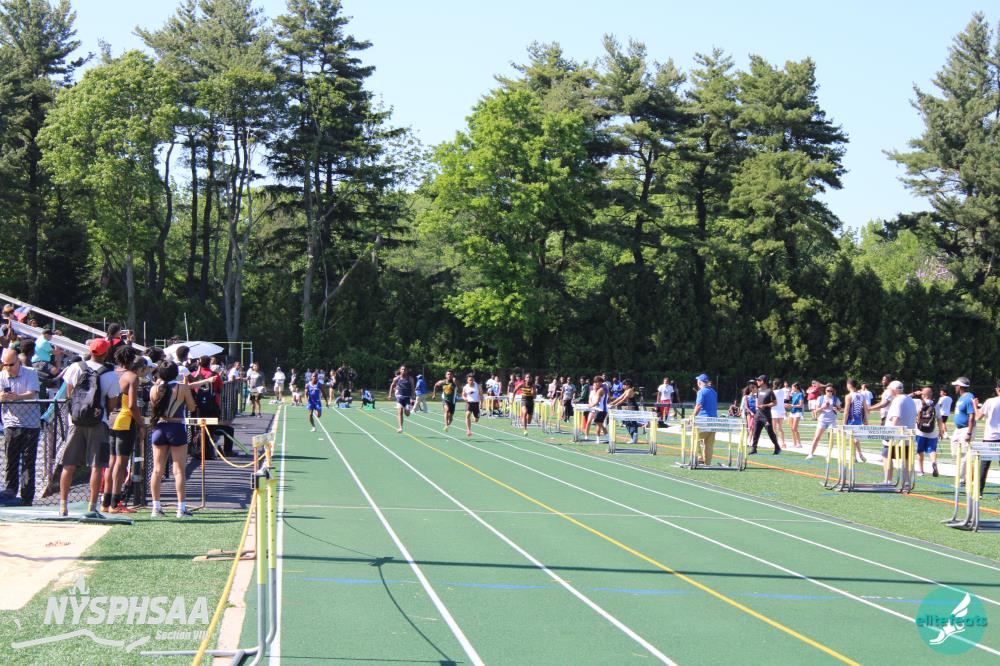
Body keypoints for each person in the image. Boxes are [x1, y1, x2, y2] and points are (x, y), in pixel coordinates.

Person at [59, 339, 121, 518]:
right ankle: (92, 507)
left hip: (75, 421)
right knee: (97, 466)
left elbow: (70, 393)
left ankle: (63, 506)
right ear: (106, 353)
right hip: (98, 421)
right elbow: (112, 402)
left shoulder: (75, 367)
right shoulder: (110, 375)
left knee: (68, 464)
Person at [149, 361, 198, 518]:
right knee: (179, 470)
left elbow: (154, 408)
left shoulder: (154, 389)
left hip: (159, 428)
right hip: (177, 428)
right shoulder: (182, 388)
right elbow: (192, 407)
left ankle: (156, 508)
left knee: (157, 470)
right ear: (176, 373)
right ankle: (181, 508)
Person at [103, 346, 144, 514]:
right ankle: (115, 503)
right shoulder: (132, 377)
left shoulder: (111, 373)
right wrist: (141, 423)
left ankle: (106, 503)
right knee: (121, 463)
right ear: (132, 359)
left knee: (111, 462)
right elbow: (133, 405)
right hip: (125, 420)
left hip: (110, 419)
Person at [1, 348, 40, 506]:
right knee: (11, 460)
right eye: (5, 364)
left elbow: (32, 393)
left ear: (18, 361)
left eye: (11, 364)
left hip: (31, 423)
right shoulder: (2, 375)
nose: (8, 368)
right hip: (11, 422)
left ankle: (27, 498)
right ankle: (10, 494)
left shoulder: (30, 372)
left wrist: (17, 397)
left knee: (28, 462)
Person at [884, 380, 917, 484]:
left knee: (886, 456)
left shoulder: (897, 400)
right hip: (908, 435)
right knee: (906, 459)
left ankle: (888, 481)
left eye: (889, 389)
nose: (888, 391)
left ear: (893, 390)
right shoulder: (909, 399)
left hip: (897, 436)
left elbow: (895, 417)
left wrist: (890, 434)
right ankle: (906, 482)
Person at [912, 385, 944, 477]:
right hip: (932, 432)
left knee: (920, 451)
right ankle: (934, 462)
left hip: (920, 432)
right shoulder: (935, 404)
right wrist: (941, 431)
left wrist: (914, 393)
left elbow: (905, 397)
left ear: (923, 394)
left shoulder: (918, 402)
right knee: (932, 450)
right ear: (931, 394)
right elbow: (939, 419)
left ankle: (921, 471)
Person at [975, 380, 1000, 496]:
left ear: (997, 389)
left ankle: (979, 491)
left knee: (984, 466)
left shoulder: (990, 401)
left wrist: (975, 406)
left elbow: (978, 417)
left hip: (990, 437)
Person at [949, 376, 976, 476]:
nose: (955, 387)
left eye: (956, 385)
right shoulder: (961, 397)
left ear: (960, 386)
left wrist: (969, 432)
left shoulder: (969, 398)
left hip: (966, 429)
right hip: (959, 429)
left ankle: (962, 479)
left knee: (964, 454)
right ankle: (967, 473)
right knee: (955, 451)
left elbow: (972, 416)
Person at [806, 384, 840, 459]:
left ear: (833, 391)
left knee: (830, 438)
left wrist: (837, 409)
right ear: (825, 391)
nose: (829, 392)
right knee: (817, 437)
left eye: (831, 391)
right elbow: (816, 411)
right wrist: (823, 407)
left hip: (832, 420)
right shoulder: (820, 398)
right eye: (828, 390)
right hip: (822, 420)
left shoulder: (835, 399)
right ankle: (811, 453)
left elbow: (840, 409)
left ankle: (828, 455)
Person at [749, 375, 780, 455]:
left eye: (758, 380)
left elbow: (775, 403)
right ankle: (754, 449)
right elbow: (757, 400)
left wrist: (765, 405)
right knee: (756, 432)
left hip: (766, 416)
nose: (757, 381)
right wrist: (757, 406)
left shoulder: (769, 391)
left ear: (763, 381)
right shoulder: (758, 391)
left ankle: (777, 447)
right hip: (758, 415)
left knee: (770, 432)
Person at [691, 374, 718, 464]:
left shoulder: (701, 391)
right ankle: (707, 463)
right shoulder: (714, 392)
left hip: (704, 420)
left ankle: (699, 457)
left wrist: (692, 416)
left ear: (699, 382)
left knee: (695, 438)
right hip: (714, 421)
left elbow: (699, 405)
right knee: (709, 444)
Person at [842, 379, 868, 464]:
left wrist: (844, 422)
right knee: (855, 438)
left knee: (852, 439)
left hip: (851, 420)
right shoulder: (861, 395)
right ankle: (858, 455)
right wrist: (866, 420)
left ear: (849, 385)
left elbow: (846, 411)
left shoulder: (849, 396)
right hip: (858, 420)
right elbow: (865, 409)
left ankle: (856, 457)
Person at [609, 378, 642, 445]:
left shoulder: (630, 390)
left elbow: (624, 399)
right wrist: (611, 403)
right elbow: (620, 397)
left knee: (633, 423)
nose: (623, 386)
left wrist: (616, 405)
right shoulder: (626, 390)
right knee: (626, 422)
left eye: (624, 385)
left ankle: (634, 439)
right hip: (629, 408)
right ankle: (633, 437)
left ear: (628, 385)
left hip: (633, 408)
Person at [388, 365, 414, 432]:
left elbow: (412, 388)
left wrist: (412, 397)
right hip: (399, 397)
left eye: (405, 369)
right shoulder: (396, 378)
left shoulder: (410, 378)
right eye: (402, 369)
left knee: (407, 414)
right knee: (400, 412)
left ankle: (408, 408)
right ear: (400, 370)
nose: (403, 370)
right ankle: (400, 427)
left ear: (407, 371)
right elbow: (392, 385)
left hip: (407, 398)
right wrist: (390, 394)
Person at [462, 373, 481, 437]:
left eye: (472, 380)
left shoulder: (478, 386)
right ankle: (468, 430)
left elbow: (481, 395)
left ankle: (474, 416)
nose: (471, 381)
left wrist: (481, 403)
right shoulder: (465, 387)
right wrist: (465, 398)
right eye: (470, 380)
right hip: (469, 403)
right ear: (467, 380)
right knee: (467, 415)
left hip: (476, 403)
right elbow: (463, 395)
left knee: (476, 420)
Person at [786, 382, 805, 448]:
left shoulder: (800, 394)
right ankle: (794, 443)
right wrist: (789, 405)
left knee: (794, 428)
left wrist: (791, 405)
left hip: (797, 412)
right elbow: (792, 403)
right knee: (792, 428)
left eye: (792, 387)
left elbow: (800, 405)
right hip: (792, 412)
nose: (791, 388)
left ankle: (799, 444)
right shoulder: (794, 394)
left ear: (796, 387)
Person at [771, 378, 787, 450]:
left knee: (774, 428)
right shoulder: (783, 391)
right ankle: (783, 443)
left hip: (774, 410)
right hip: (781, 410)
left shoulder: (773, 392)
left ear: (774, 384)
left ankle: (775, 444)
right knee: (780, 428)